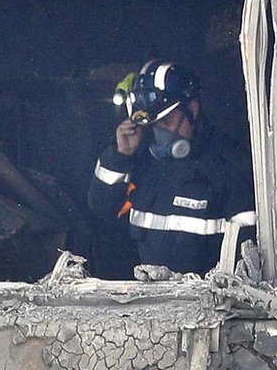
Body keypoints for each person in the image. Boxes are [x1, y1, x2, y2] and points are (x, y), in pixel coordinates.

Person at [87, 60, 255, 274]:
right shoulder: (143, 160)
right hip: (149, 296)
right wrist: (121, 156)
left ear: (192, 111)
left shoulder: (227, 163)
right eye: (154, 124)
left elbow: (249, 250)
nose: (159, 132)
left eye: (166, 121)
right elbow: (102, 208)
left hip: (206, 301)